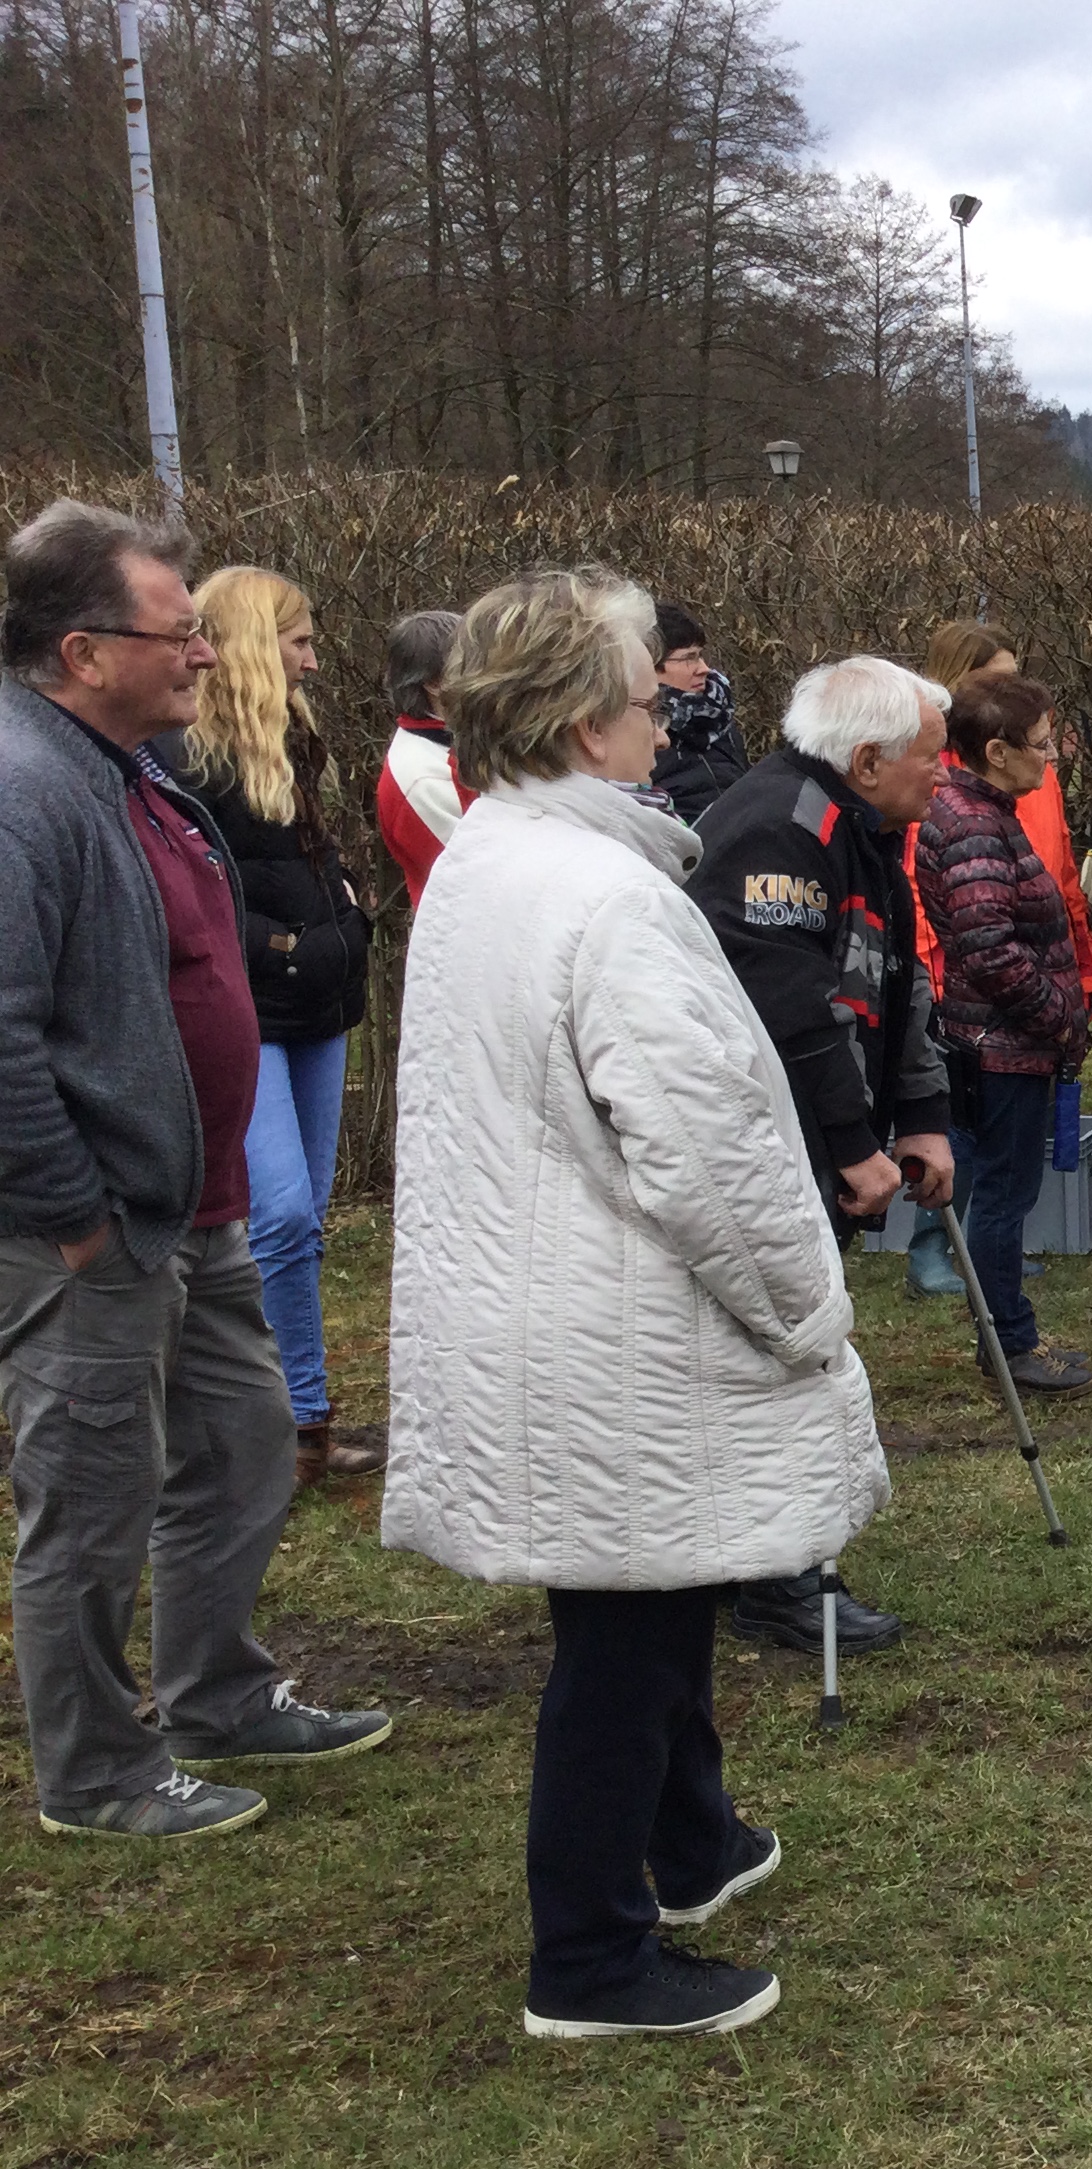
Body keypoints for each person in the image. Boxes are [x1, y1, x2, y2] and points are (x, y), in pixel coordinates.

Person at [390, 566, 884, 2038]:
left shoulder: (497, 857)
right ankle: (592, 1960)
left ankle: (691, 1845)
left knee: (657, 1590)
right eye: (635, 692)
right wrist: (809, 1316)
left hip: (539, 1298)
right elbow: (708, 1150)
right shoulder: (605, 896)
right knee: (631, 1640)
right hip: (610, 1319)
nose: (662, 714)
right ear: (583, 719)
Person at [0, 499, 390, 1839]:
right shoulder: (24, 790)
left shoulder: (136, 772)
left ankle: (218, 1694)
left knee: (236, 1449)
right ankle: (96, 1772)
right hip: (93, 1229)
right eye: (178, 634)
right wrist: (70, 1216)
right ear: (84, 648)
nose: (206, 655)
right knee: (92, 1504)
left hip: (192, 1209)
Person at [685, 657, 955, 1658]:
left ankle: (745, 1562)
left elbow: (896, 978)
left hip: (817, 1136)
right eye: (932, 755)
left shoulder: (868, 829)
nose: (945, 773)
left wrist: (922, 1111)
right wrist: (851, 1145)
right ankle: (780, 1579)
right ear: (872, 756)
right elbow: (794, 1008)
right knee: (786, 1353)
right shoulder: (777, 829)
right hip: (763, 1145)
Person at [166, 566, 382, 1483]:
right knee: (280, 1214)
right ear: (259, 646)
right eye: (298, 641)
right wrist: (289, 944)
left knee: (305, 1221)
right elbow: (195, 897)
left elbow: (298, 861)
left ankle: (303, 1421)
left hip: (319, 1012)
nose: (315, 661)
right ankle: (272, 1423)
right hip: (250, 1013)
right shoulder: (184, 761)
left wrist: (344, 914)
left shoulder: (294, 741)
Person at [901, 617, 1092, 1298]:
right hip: (983, 1002)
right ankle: (943, 1248)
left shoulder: (1030, 776)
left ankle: (991, 1258)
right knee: (967, 1140)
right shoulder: (945, 791)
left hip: (1028, 985)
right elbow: (967, 915)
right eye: (997, 681)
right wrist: (1051, 1010)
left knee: (1006, 1170)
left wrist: (1083, 968)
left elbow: (1058, 873)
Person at [373, 608, 466, 905]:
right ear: (435, 682)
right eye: (472, 663)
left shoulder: (461, 741)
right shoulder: (419, 776)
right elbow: (484, 877)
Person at [649, 602, 747, 824]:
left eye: (700, 656)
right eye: (689, 658)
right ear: (651, 665)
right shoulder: (634, 729)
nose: (703, 668)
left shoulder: (718, 719)